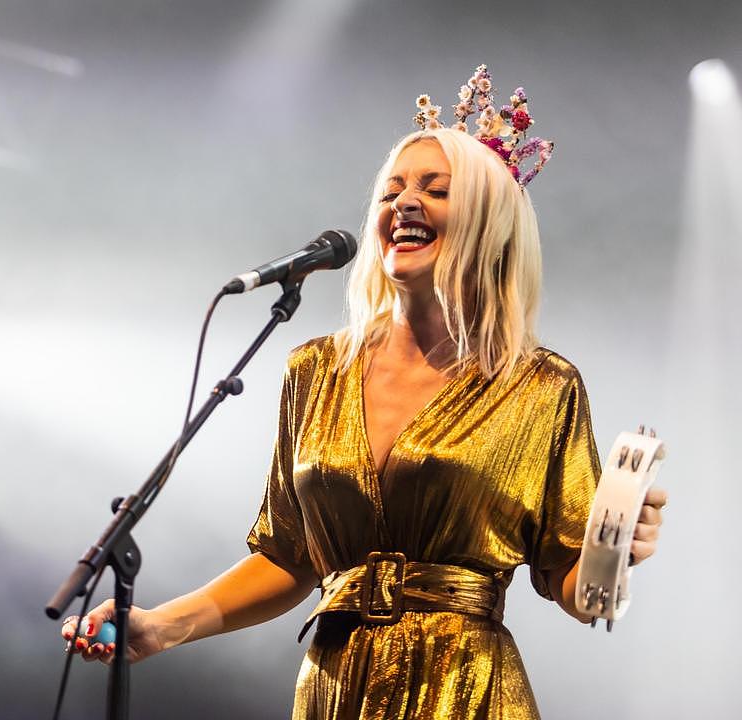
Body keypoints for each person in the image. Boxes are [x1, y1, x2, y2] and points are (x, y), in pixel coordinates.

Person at [59, 66, 667, 719]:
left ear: (491, 226)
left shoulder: (540, 386)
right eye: (391, 191)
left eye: (435, 190)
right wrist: (162, 627)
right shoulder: (315, 370)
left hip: (466, 689)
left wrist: (615, 548)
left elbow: (565, 578)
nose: (404, 203)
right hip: (336, 682)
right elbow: (291, 556)